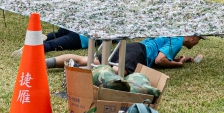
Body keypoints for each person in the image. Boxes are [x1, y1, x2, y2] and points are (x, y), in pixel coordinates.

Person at [47, 36, 203, 76]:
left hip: (131, 47)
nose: (196, 43)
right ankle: (78, 73)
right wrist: (178, 64)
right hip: (139, 53)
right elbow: (159, 60)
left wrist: (177, 60)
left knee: (89, 60)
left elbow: (161, 54)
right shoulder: (178, 40)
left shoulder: (172, 35)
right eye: (199, 40)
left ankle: (45, 63)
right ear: (193, 37)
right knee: (120, 71)